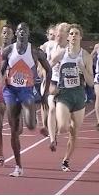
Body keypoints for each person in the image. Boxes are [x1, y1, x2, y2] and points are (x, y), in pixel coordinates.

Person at [1, 22, 51, 177]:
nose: (22, 32)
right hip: (11, 91)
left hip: (26, 90)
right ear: (16, 33)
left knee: (30, 126)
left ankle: (31, 115)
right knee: (14, 130)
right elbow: (1, 69)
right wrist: (1, 84)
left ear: (29, 33)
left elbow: (48, 70)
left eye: (25, 30)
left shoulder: (35, 52)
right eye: (20, 30)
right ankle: (18, 166)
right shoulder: (8, 50)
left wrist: (45, 93)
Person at [50, 24, 93, 171]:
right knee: (63, 127)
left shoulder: (86, 56)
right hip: (64, 94)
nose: (74, 36)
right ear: (68, 37)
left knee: (74, 133)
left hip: (79, 95)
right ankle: (55, 131)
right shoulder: (62, 54)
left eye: (76, 33)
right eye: (71, 33)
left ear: (81, 36)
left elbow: (91, 82)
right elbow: (47, 67)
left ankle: (66, 161)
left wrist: (82, 69)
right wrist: (49, 84)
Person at [0, 24, 17, 167]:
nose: (6, 35)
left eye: (9, 33)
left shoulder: (16, 52)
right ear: (1, 35)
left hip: (12, 91)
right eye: (4, 32)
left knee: (14, 126)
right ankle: (0, 156)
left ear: (13, 36)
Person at [43, 22, 69, 151]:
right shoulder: (50, 46)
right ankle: (52, 139)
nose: (58, 35)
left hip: (68, 85)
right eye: (57, 32)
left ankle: (62, 125)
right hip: (53, 81)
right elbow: (46, 62)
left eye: (61, 33)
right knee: (51, 109)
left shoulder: (70, 50)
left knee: (64, 125)